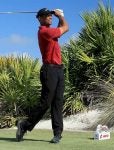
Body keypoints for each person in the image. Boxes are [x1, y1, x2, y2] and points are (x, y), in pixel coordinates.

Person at [16, 8, 69, 143]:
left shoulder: (51, 33)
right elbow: (66, 27)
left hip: (58, 70)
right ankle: (24, 125)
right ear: (40, 18)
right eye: (46, 15)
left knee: (57, 103)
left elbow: (59, 31)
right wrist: (61, 16)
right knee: (45, 103)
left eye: (50, 15)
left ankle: (57, 133)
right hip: (49, 70)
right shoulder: (44, 31)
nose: (50, 17)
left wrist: (57, 17)